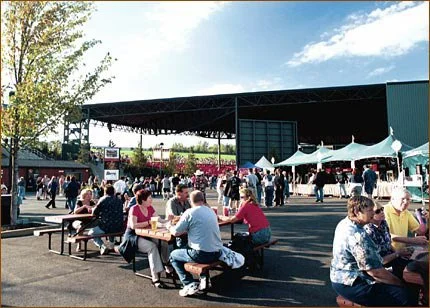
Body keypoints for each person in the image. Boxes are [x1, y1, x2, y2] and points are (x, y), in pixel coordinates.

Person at [331, 196, 414, 306]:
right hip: (350, 283)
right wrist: (400, 284)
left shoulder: (345, 223)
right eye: (370, 210)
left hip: (341, 277)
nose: (372, 213)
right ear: (356, 211)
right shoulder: (358, 236)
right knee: (403, 296)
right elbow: (376, 272)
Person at [167, 190, 223, 296]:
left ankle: (189, 283)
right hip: (217, 251)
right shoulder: (210, 211)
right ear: (203, 199)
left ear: (191, 201)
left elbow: (175, 232)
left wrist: (169, 226)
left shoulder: (190, 212)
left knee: (173, 255)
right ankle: (204, 278)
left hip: (202, 254)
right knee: (185, 247)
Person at [117, 189, 168, 288]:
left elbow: (159, 220)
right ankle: (155, 277)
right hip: (133, 236)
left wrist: (169, 220)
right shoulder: (134, 209)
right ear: (143, 200)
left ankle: (168, 267)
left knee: (164, 243)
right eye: (149, 197)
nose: (151, 199)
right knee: (152, 247)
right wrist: (148, 222)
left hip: (147, 234)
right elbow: (133, 225)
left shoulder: (150, 208)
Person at [363, 202, 413, 279]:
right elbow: (379, 261)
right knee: (411, 275)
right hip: (381, 267)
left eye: (382, 209)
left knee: (416, 265)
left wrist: (400, 254)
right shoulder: (369, 231)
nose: (382, 212)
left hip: (392, 259)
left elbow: (388, 244)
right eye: (377, 211)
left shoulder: (383, 223)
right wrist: (398, 254)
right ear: (370, 214)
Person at [88, 184, 124, 255]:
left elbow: (94, 213)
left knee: (91, 233)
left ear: (105, 192)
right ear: (113, 192)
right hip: (119, 226)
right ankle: (112, 245)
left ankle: (102, 246)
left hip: (106, 227)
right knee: (112, 222)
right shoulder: (119, 200)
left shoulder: (103, 199)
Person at [165, 184, 191, 249]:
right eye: (186, 193)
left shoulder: (186, 201)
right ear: (179, 193)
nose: (188, 194)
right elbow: (174, 218)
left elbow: (192, 213)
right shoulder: (172, 202)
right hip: (173, 228)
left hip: (185, 227)